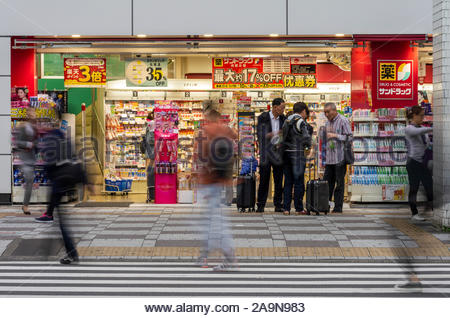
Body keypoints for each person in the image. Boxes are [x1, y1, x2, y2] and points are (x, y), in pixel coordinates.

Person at [196, 108, 238, 271]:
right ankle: (206, 254)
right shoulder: (225, 130)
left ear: (208, 117)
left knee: (215, 223)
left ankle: (227, 257)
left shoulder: (206, 131)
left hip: (209, 182)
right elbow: (236, 138)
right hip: (222, 180)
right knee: (215, 220)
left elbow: (202, 156)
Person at [281, 102, 312, 215]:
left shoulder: (287, 120)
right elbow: (306, 137)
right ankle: (299, 208)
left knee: (288, 181)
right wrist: (308, 147)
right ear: (303, 111)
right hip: (297, 154)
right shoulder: (300, 121)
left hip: (286, 154)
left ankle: (286, 208)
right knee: (298, 182)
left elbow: (282, 136)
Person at [256, 98, 286, 212]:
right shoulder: (263, 118)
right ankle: (260, 204)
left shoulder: (284, 119)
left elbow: (286, 134)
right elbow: (260, 135)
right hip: (266, 152)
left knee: (278, 179)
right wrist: (275, 134)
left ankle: (278, 204)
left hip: (278, 153)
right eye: (282, 107)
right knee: (264, 178)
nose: (283, 110)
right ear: (275, 107)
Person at [404, 105, 433, 222]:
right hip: (413, 162)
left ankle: (430, 207)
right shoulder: (409, 128)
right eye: (421, 115)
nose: (423, 117)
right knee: (414, 188)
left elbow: (427, 144)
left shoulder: (422, 128)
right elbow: (419, 131)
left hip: (422, 162)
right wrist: (435, 127)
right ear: (414, 116)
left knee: (430, 186)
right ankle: (414, 213)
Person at [322, 102, 352, 213]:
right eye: (325, 112)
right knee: (327, 183)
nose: (326, 114)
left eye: (328, 112)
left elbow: (350, 137)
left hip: (340, 157)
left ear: (334, 110)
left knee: (339, 184)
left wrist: (335, 136)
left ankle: (338, 208)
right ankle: (326, 205)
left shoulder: (343, 120)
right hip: (330, 158)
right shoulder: (327, 123)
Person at [15, 107, 37, 215]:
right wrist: (28, 144)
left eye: (34, 112)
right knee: (29, 179)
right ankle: (25, 206)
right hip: (24, 158)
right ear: (28, 114)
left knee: (30, 181)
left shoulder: (34, 127)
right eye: (32, 113)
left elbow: (36, 141)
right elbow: (18, 142)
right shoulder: (22, 127)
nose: (34, 114)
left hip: (32, 158)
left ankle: (25, 205)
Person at [143, 112, 155, 202]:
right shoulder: (152, 124)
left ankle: (152, 194)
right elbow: (150, 140)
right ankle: (152, 194)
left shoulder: (151, 124)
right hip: (151, 152)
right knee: (151, 172)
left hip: (151, 152)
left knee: (151, 171)